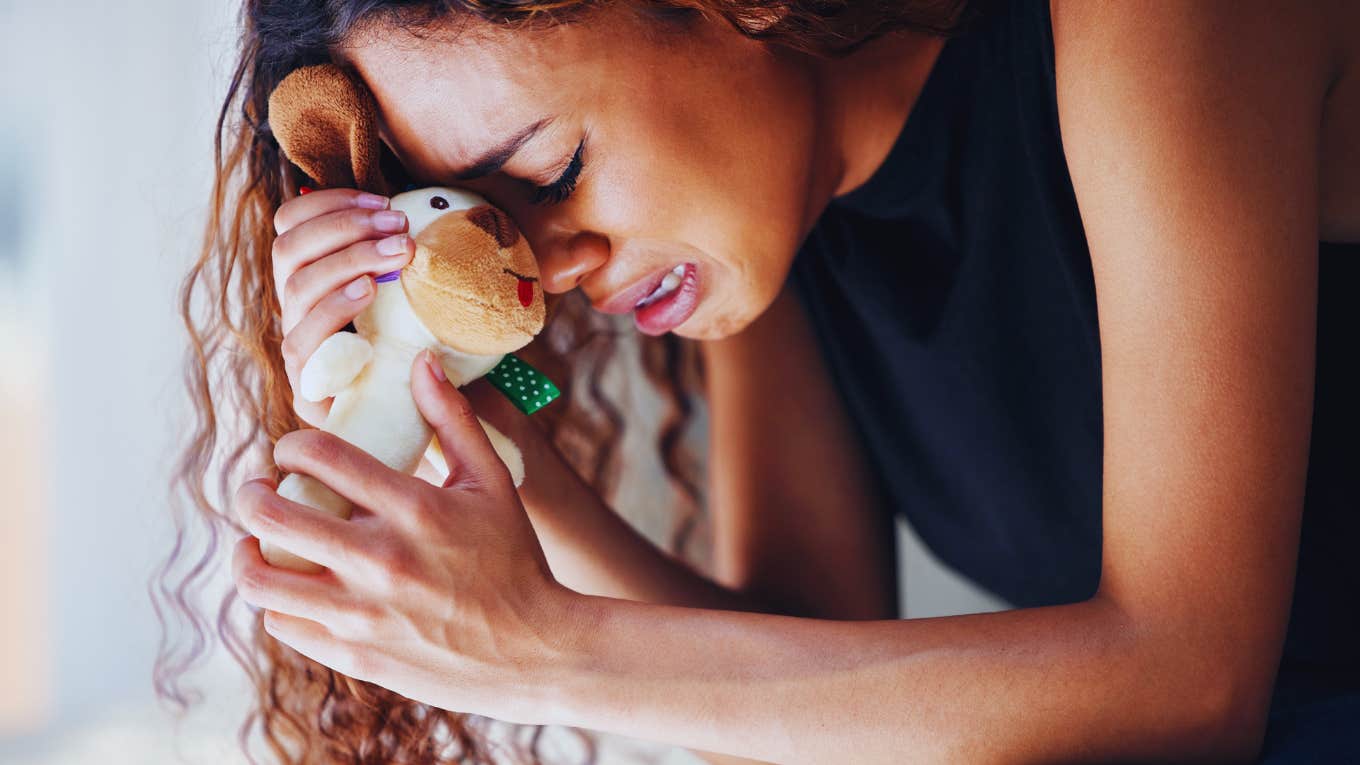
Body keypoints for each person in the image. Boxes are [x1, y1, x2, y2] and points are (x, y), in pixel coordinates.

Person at [159, 0, 1359, 762]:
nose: (557, 269)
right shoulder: (765, 235)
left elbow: (1192, 685)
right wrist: (484, 437)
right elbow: (800, 689)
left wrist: (544, 648)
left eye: (555, 166)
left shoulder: (1156, 21)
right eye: (496, 221)